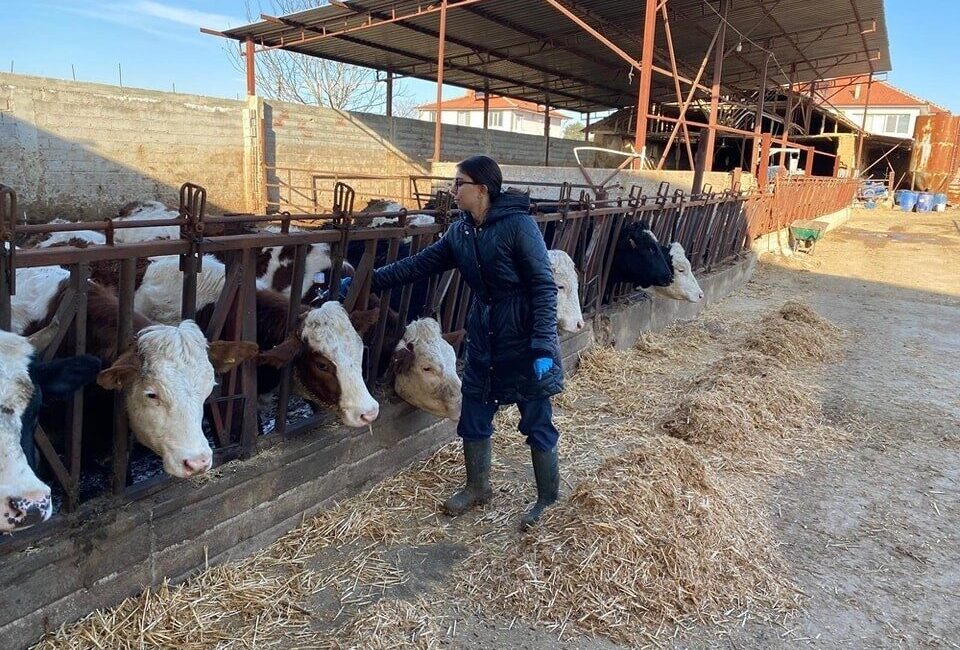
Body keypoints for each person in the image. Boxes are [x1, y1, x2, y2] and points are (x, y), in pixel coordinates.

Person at [341, 155, 564, 528]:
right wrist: (366, 281)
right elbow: (418, 264)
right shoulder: (461, 231)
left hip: (523, 338)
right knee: (474, 415)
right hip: (484, 337)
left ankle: (548, 499)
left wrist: (542, 344)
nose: (452, 189)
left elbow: (543, 286)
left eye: (459, 183)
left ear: (482, 189)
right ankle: (478, 487)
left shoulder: (518, 226)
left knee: (536, 420)